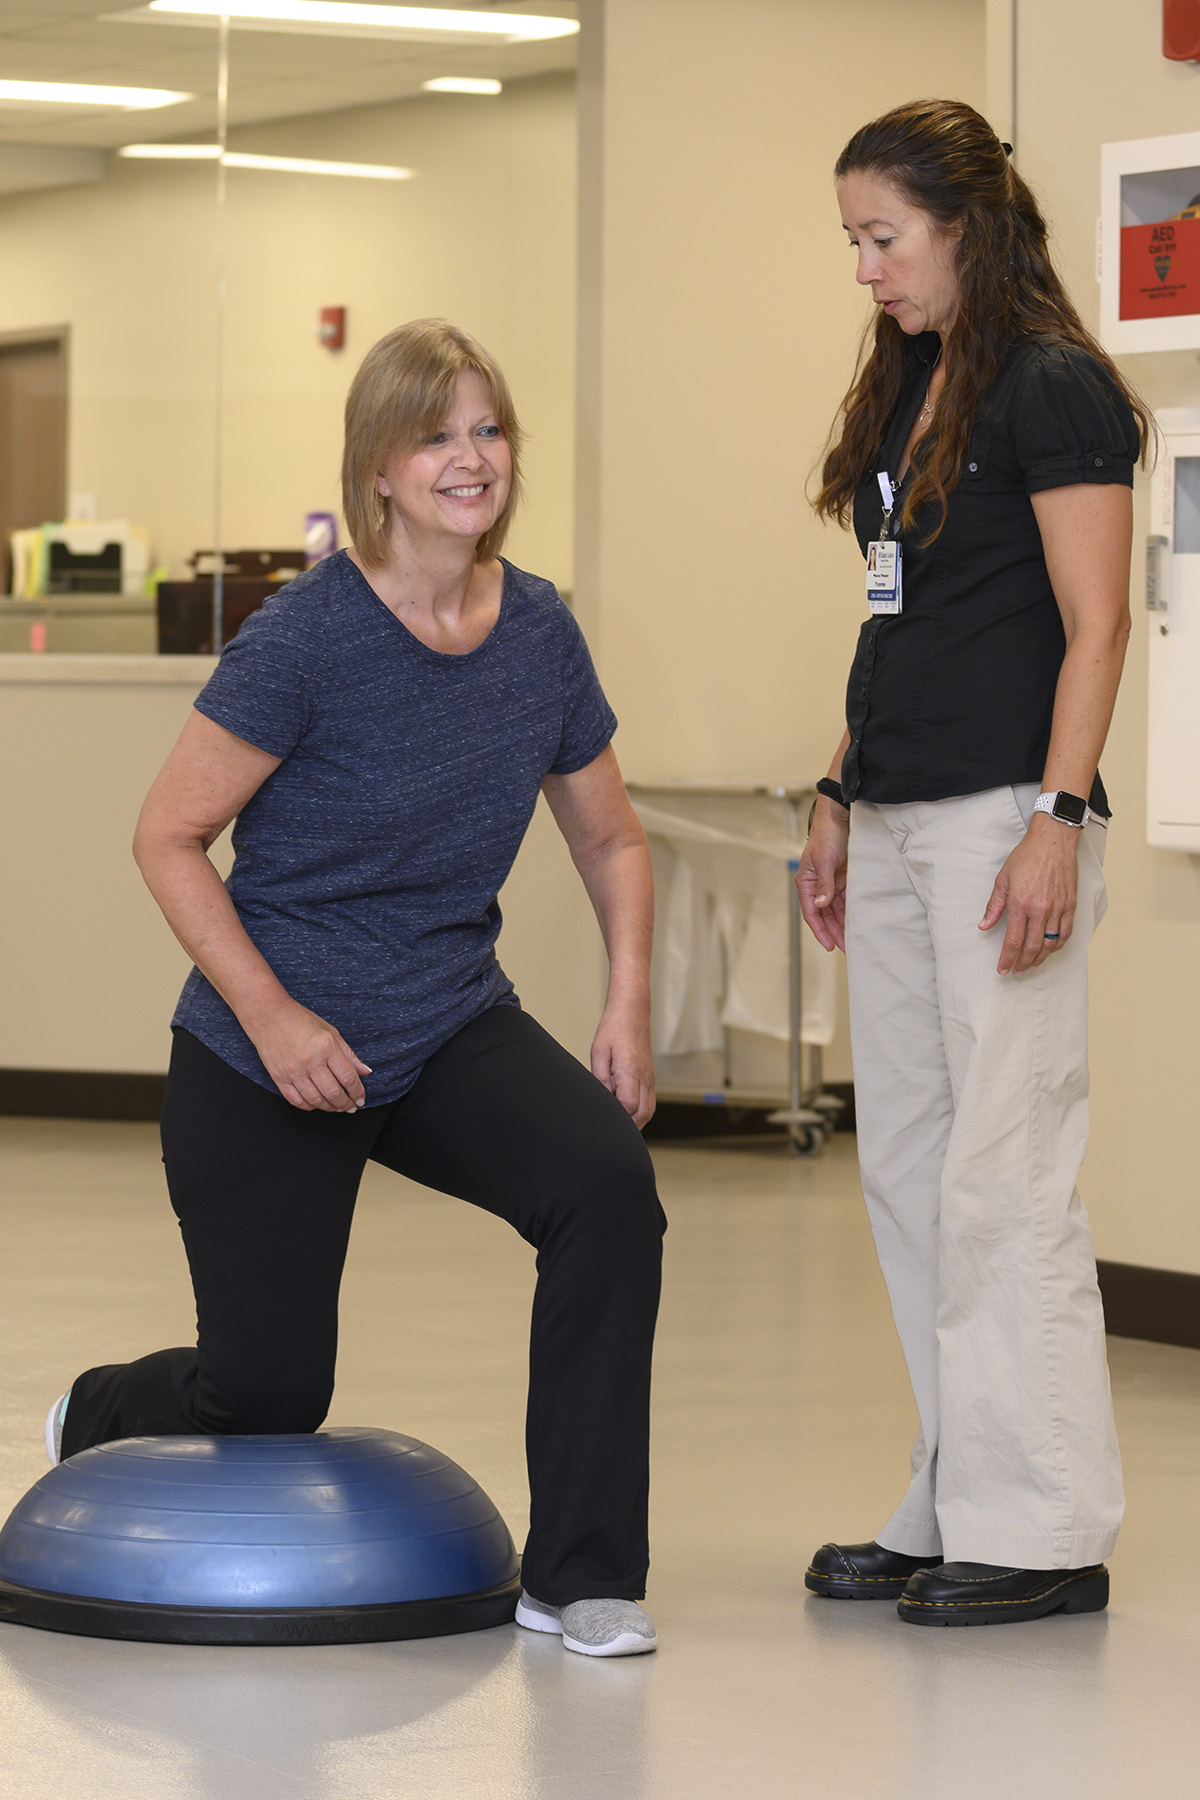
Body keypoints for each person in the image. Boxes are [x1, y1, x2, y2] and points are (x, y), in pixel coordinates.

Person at [47, 318, 665, 1660]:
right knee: (265, 1389)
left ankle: (585, 1574)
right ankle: (97, 1410)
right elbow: (166, 836)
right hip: (265, 1046)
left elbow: (611, 835)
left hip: (446, 1023)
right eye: (435, 435)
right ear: (378, 466)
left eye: (489, 429)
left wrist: (625, 1005)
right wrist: (273, 1018)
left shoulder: (540, 630)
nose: (469, 458)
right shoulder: (309, 637)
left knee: (608, 1190)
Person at [797, 102, 1151, 1626]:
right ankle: (955, 1489)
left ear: (967, 223)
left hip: (1007, 816)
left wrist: (1057, 821)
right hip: (892, 813)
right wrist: (834, 790)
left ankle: (1046, 1521)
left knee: (1006, 1175)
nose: (867, 269)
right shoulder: (911, 388)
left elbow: (1098, 625)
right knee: (913, 1173)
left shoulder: (1056, 389)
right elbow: (900, 618)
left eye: (886, 238)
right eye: (854, 244)